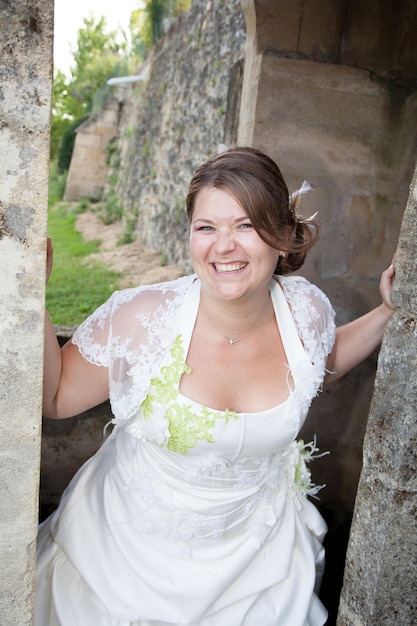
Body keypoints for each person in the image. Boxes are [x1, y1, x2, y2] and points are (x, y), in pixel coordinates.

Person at [36, 146, 396, 626]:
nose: (223, 246)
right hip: (124, 562)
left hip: (259, 564)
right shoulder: (143, 319)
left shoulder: (305, 311)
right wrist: (31, 293)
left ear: (284, 236)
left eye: (245, 226)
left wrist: (388, 310)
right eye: (207, 227)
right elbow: (56, 399)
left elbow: (318, 368)